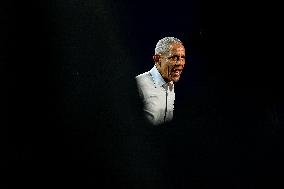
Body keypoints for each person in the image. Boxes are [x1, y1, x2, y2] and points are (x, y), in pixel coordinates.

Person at [135, 37, 186, 125]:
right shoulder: (138, 84)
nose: (180, 63)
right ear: (157, 59)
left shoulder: (170, 84)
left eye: (182, 58)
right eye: (174, 58)